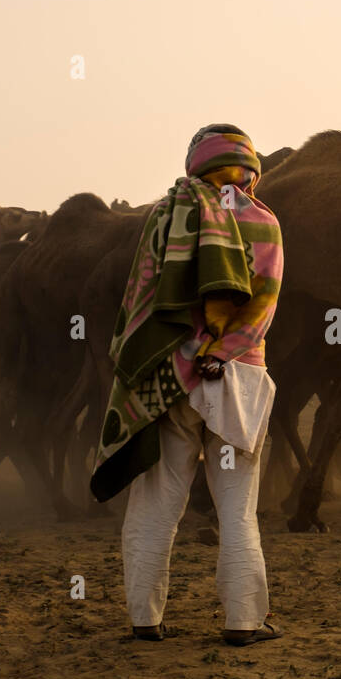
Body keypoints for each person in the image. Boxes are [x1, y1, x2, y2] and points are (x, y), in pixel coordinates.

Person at [90, 124, 283, 645]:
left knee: (157, 501)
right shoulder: (263, 220)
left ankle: (144, 618)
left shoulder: (165, 215)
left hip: (173, 378)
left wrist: (192, 354)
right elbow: (261, 306)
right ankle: (243, 622)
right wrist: (222, 352)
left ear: (196, 164)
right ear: (249, 169)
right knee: (238, 507)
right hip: (237, 378)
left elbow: (141, 301)